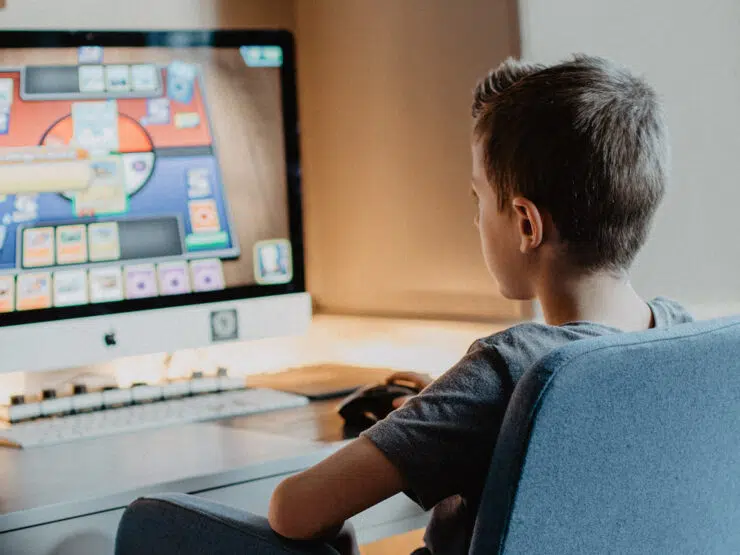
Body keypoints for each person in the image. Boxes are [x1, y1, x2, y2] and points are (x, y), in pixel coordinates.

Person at [266, 54, 693, 555]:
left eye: (479, 198)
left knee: (161, 520)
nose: (475, 221)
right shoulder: (680, 336)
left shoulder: (508, 369)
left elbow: (294, 510)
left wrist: (428, 420)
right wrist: (444, 412)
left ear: (526, 224)